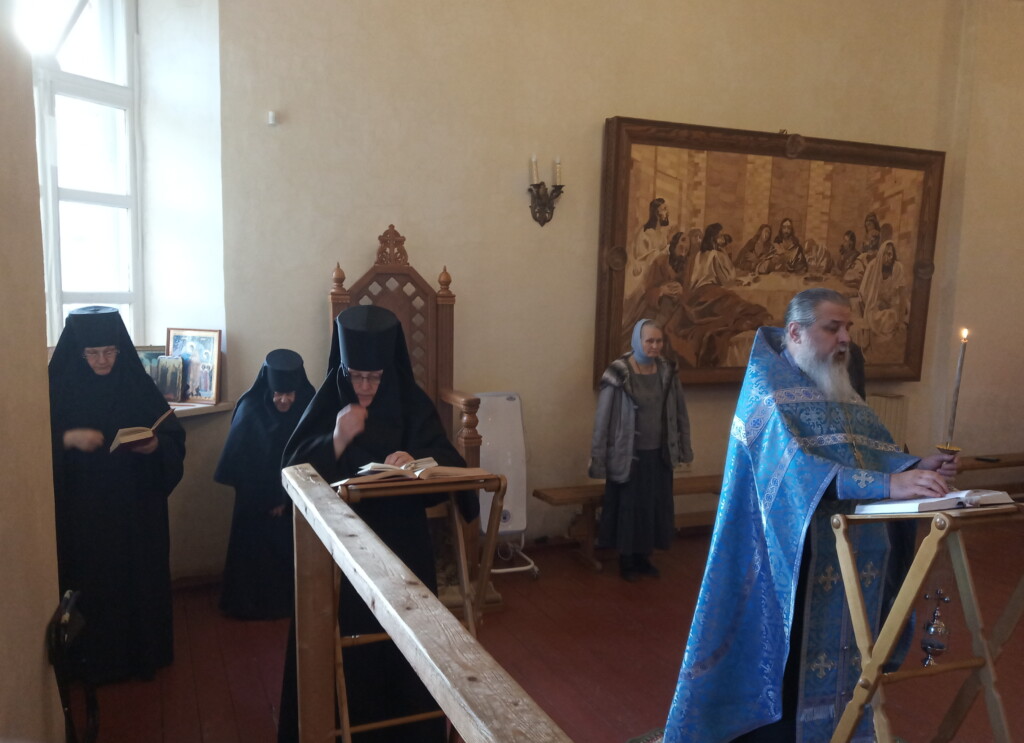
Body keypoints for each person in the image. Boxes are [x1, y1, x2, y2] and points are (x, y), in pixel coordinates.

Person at [664, 288, 957, 742]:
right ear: (796, 332)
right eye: (832, 328)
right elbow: (797, 473)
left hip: (844, 546)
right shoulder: (767, 389)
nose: (845, 338)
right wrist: (888, 485)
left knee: (847, 651)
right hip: (786, 550)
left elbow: (865, 450)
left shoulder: (833, 384)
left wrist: (914, 466)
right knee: (790, 658)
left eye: (848, 328)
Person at [277, 305, 479, 743]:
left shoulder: (410, 401)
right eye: (356, 376)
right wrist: (336, 439)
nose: (365, 387)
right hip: (339, 552)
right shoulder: (329, 400)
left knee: (406, 651)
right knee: (346, 653)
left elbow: (450, 463)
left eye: (374, 377)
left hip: (402, 548)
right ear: (343, 369)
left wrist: (417, 462)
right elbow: (291, 470)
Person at [48, 306, 186, 684]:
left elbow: (172, 434)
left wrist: (155, 445)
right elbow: (29, 447)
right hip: (83, 511)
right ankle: (90, 662)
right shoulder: (57, 388)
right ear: (78, 353)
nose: (103, 360)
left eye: (110, 351)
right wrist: (67, 439)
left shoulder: (135, 383)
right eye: (92, 353)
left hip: (135, 507)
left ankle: (142, 655)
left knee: (136, 580)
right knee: (93, 583)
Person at [214, 348, 315, 620]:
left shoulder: (309, 407)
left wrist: (286, 500)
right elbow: (242, 462)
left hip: (297, 501)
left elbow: (313, 455)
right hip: (254, 501)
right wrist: (269, 499)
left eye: (289, 394)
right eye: (277, 393)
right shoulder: (251, 408)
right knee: (253, 555)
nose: (283, 400)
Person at [590, 319, 693, 581]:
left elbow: (680, 411)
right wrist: (598, 458)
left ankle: (644, 557)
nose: (655, 346)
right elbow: (603, 419)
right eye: (650, 341)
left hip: (659, 454)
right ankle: (626, 559)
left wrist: (684, 447)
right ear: (637, 341)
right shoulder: (618, 373)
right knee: (629, 507)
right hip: (628, 455)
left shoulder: (667, 371)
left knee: (653, 506)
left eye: (659, 341)